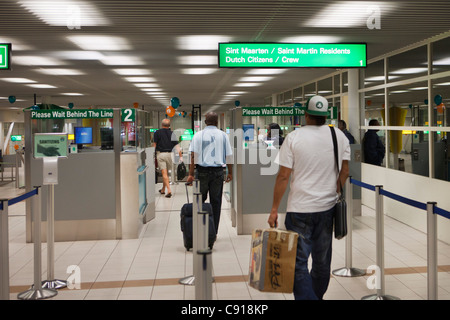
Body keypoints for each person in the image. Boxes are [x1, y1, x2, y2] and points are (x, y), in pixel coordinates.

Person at [268, 95, 350, 300]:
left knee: (298, 264)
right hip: (327, 209)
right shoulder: (339, 135)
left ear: (306, 115)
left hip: (299, 211)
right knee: (322, 263)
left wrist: (274, 208)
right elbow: (345, 171)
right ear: (325, 115)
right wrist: (334, 192)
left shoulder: (294, 137)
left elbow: (284, 176)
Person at [186, 112, 233, 234]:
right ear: (217, 122)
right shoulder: (223, 136)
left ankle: (199, 231)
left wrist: (191, 174)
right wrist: (230, 172)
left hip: (201, 172)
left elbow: (193, 157)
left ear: (205, 122)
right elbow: (228, 156)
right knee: (216, 203)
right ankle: (213, 232)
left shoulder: (198, 135)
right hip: (218, 172)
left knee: (199, 202)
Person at [152, 118, 183, 198]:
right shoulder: (172, 133)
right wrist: (180, 156)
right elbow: (177, 146)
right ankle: (163, 189)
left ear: (161, 125)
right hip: (170, 155)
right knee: (165, 173)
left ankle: (169, 190)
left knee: (164, 173)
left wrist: (152, 154)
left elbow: (154, 145)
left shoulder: (157, 133)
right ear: (169, 125)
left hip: (161, 155)